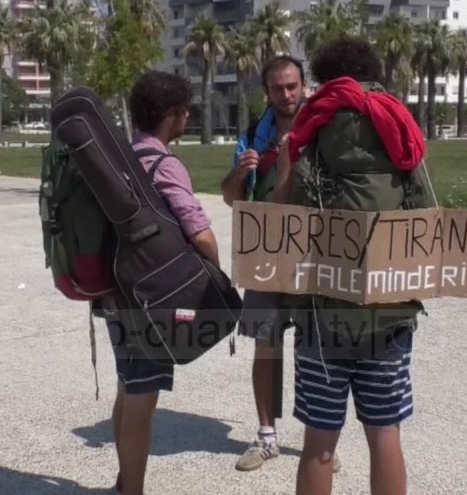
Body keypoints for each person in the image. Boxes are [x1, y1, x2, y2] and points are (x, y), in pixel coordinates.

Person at [270, 36, 427, 495]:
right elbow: (428, 220)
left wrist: (285, 165)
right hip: (389, 312)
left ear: (324, 78)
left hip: (322, 317)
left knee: (319, 441)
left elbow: (280, 225)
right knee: (385, 435)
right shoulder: (401, 128)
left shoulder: (310, 133)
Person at [222, 55, 344, 474]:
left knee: (319, 350)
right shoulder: (254, 137)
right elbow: (230, 197)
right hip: (267, 255)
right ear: (267, 91)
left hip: (315, 254)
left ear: (304, 84)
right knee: (267, 346)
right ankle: (267, 436)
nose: (287, 94)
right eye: (278, 88)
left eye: (293, 86)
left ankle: (321, 442)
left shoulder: (325, 130)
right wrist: (240, 173)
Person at [104, 69, 222, 495]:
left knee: (127, 386)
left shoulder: (119, 156)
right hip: (152, 302)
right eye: (185, 109)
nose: (188, 116)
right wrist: (215, 275)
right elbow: (199, 232)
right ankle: (131, 490)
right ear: (172, 113)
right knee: (141, 401)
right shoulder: (162, 164)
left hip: (117, 292)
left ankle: (123, 481)